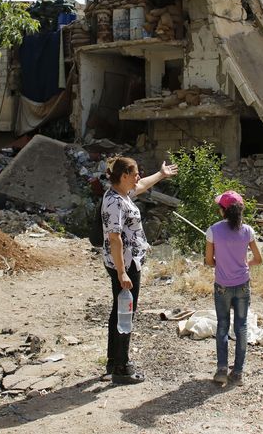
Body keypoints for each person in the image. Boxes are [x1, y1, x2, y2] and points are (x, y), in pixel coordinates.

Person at [101, 156, 177, 385]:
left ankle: (114, 361)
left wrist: (161, 174)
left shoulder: (122, 194)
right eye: (135, 174)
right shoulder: (115, 202)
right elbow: (115, 238)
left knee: (119, 311)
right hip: (125, 264)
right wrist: (122, 272)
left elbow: (142, 185)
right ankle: (121, 368)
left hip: (127, 262)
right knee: (126, 313)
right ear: (124, 176)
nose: (138, 177)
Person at [204, 190, 262, 385]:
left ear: (223, 210)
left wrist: (220, 262)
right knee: (241, 326)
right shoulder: (248, 230)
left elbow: (209, 261)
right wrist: (245, 264)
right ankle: (237, 373)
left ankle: (221, 370)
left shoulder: (213, 230)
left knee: (222, 325)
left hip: (222, 286)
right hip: (243, 285)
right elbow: (258, 259)